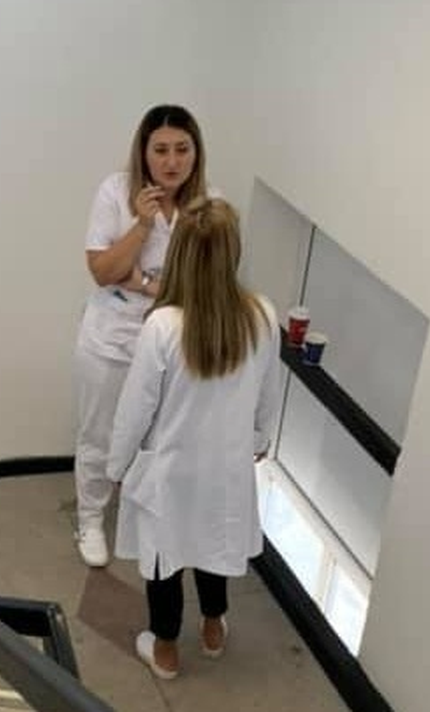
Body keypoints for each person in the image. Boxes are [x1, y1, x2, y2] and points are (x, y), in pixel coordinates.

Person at [106, 197, 281, 679]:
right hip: (227, 468)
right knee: (215, 544)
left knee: (164, 558)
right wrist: (259, 439)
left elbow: (135, 409)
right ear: (234, 252)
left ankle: (164, 649)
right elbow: (269, 392)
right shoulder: (263, 316)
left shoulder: (163, 325)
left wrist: (117, 466)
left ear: (179, 252)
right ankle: (212, 627)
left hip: (172, 470)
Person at [72, 105, 214, 567]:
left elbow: (205, 283)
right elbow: (103, 271)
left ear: (196, 153)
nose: (172, 161)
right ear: (144, 152)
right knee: (99, 435)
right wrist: (142, 224)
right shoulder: (115, 191)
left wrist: (142, 282)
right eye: (161, 150)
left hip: (173, 342)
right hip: (111, 338)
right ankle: (90, 520)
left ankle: (151, 518)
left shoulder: (209, 205)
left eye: (182, 149)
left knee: (160, 437)